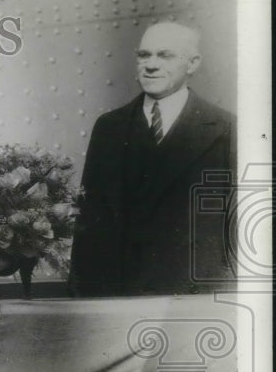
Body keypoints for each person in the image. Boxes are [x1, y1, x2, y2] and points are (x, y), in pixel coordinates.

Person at [70, 22, 235, 296]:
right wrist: (79, 292)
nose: (151, 65)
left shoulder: (225, 128)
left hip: (194, 298)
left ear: (192, 63)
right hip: (118, 295)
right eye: (144, 55)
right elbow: (90, 220)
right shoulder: (109, 127)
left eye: (165, 55)